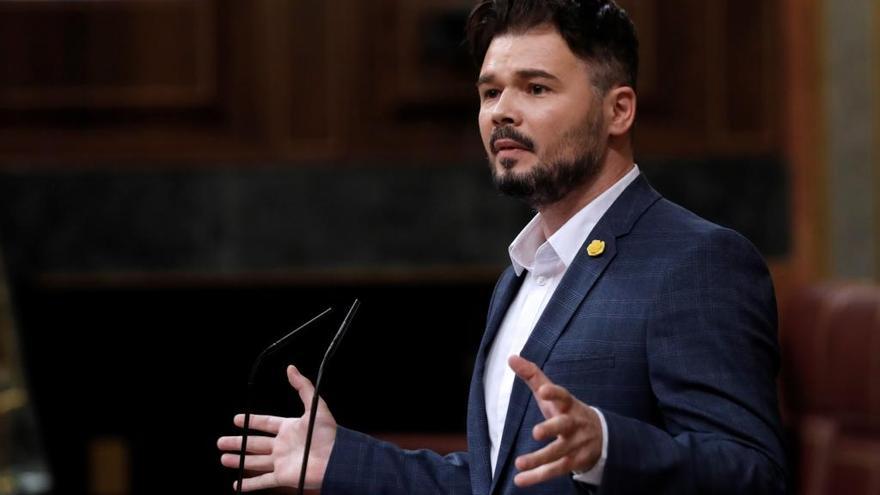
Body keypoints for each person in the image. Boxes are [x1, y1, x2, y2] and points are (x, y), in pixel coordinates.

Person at [217, 1, 787, 493]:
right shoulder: (522, 273)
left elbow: (752, 474)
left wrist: (609, 445)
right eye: (490, 91)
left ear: (618, 110)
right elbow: (493, 484)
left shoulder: (695, 261)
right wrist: (342, 461)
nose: (501, 112)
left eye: (535, 88)